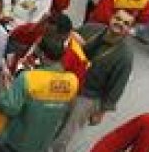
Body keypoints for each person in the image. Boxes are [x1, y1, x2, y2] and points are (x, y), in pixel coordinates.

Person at [51, 10, 138, 152]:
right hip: (67, 80)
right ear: (111, 17)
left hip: (88, 95)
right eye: (118, 18)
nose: (120, 23)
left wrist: (101, 112)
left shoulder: (125, 56)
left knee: (66, 132)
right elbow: (67, 37)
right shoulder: (91, 28)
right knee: (51, 117)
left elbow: (117, 87)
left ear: (129, 30)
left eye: (126, 23)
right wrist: (73, 37)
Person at [0, 33, 78, 152]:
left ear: (42, 54)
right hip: (41, 143)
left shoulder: (28, 78)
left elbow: (10, 108)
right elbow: (67, 113)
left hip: (16, 141)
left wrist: (4, 89)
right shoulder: (72, 81)